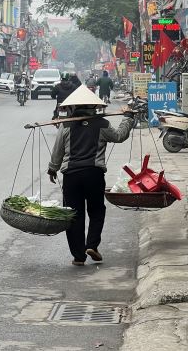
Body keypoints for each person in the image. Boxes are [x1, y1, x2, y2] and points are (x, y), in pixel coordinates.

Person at [47, 85, 134, 266]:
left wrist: (52, 168)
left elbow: (58, 151)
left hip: (71, 176)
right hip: (94, 174)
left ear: (72, 107)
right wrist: (128, 118)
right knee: (96, 211)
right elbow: (119, 136)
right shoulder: (102, 123)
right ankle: (92, 245)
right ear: (94, 106)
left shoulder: (66, 124)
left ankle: (79, 256)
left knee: (73, 215)